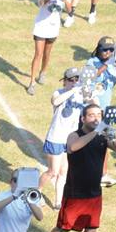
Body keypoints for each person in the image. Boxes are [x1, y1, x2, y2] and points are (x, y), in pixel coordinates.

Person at [40, 104, 116, 232]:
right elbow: (72, 148)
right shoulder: (75, 135)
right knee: (64, 227)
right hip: (75, 191)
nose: (95, 118)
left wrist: (112, 135)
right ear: (83, 119)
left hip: (94, 192)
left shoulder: (103, 136)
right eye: (91, 115)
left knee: (92, 227)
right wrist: (96, 132)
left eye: (98, 115)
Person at [39, 67, 83, 208]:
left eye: (77, 79)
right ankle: (36, 192)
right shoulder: (59, 92)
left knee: (64, 172)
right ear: (64, 81)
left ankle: (58, 201)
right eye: (71, 80)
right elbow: (55, 101)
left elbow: (94, 106)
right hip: (56, 138)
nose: (74, 82)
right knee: (53, 171)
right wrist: (72, 91)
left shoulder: (81, 96)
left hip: (70, 139)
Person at [26, 0, 73, 96]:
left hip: (53, 28)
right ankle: (32, 83)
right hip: (41, 26)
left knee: (47, 53)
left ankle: (43, 72)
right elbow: (41, 3)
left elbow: (70, 11)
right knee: (38, 54)